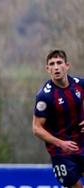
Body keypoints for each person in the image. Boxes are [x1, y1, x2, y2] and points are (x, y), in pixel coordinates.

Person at [32, 49, 84, 188]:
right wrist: (60, 143)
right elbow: (36, 128)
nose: (56, 67)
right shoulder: (45, 96)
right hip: (61, 153)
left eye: (59, 62)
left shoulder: (80, 84)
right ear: (47, 68)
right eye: (52, 64)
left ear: (67, 65)